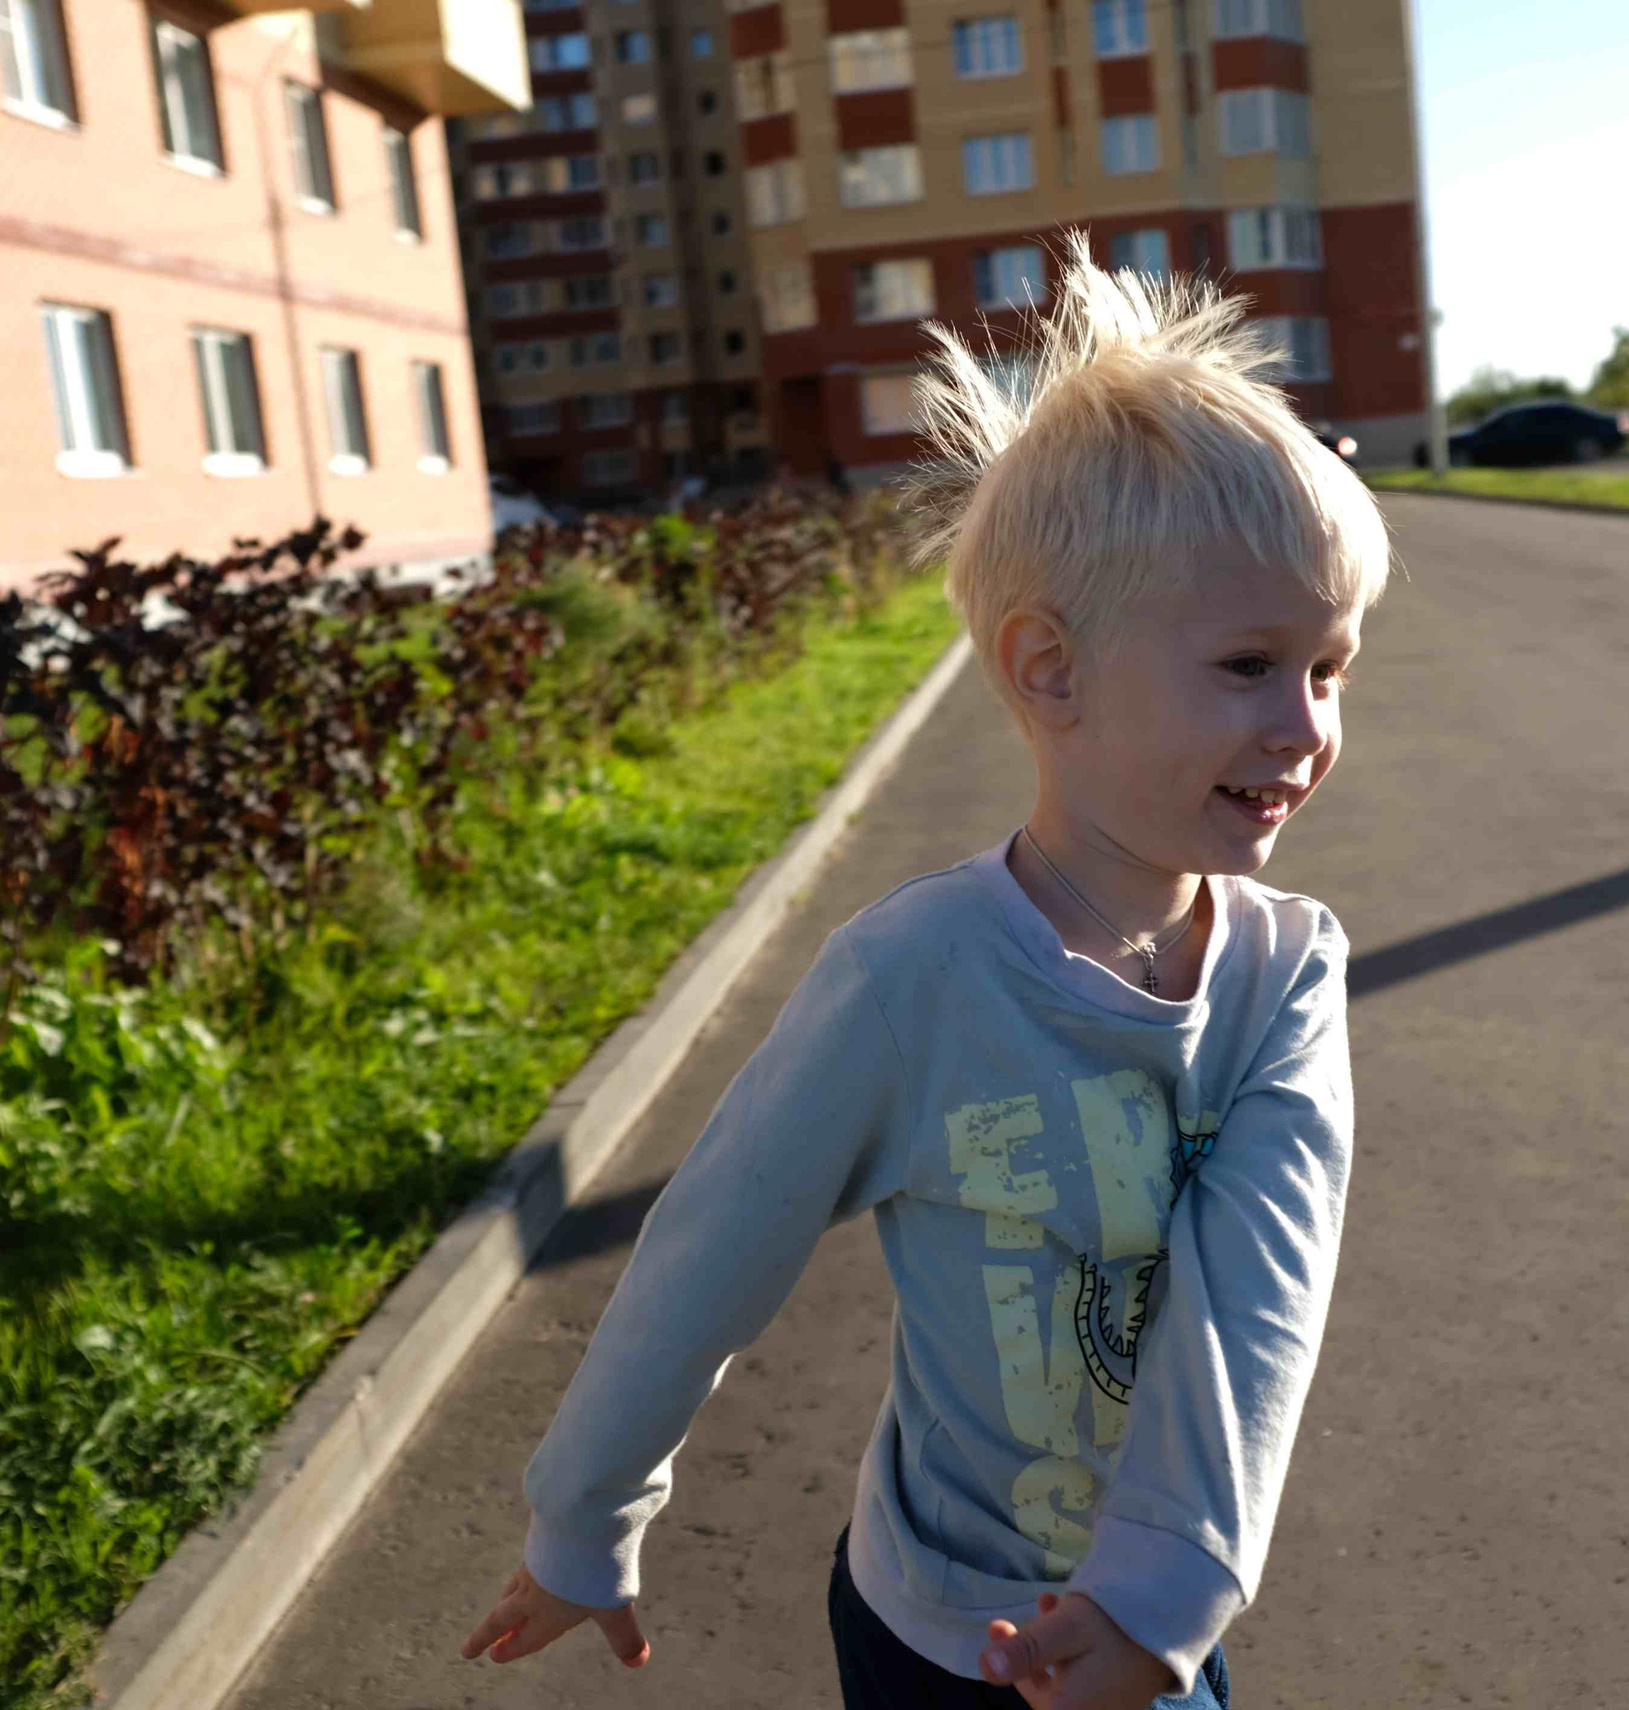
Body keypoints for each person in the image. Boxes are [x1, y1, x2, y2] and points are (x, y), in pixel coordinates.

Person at [459, 228, 1392, 1710]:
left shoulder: (1282, 977)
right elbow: (711, 1252)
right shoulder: (914, 980)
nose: (1305, 721)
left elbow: (1255, 1308)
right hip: (925, 1625)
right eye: (1248, 664)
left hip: (1152, 1622)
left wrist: (1159, 1604)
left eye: (1330, 666)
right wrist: (585, 1518)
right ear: (1048, 669)